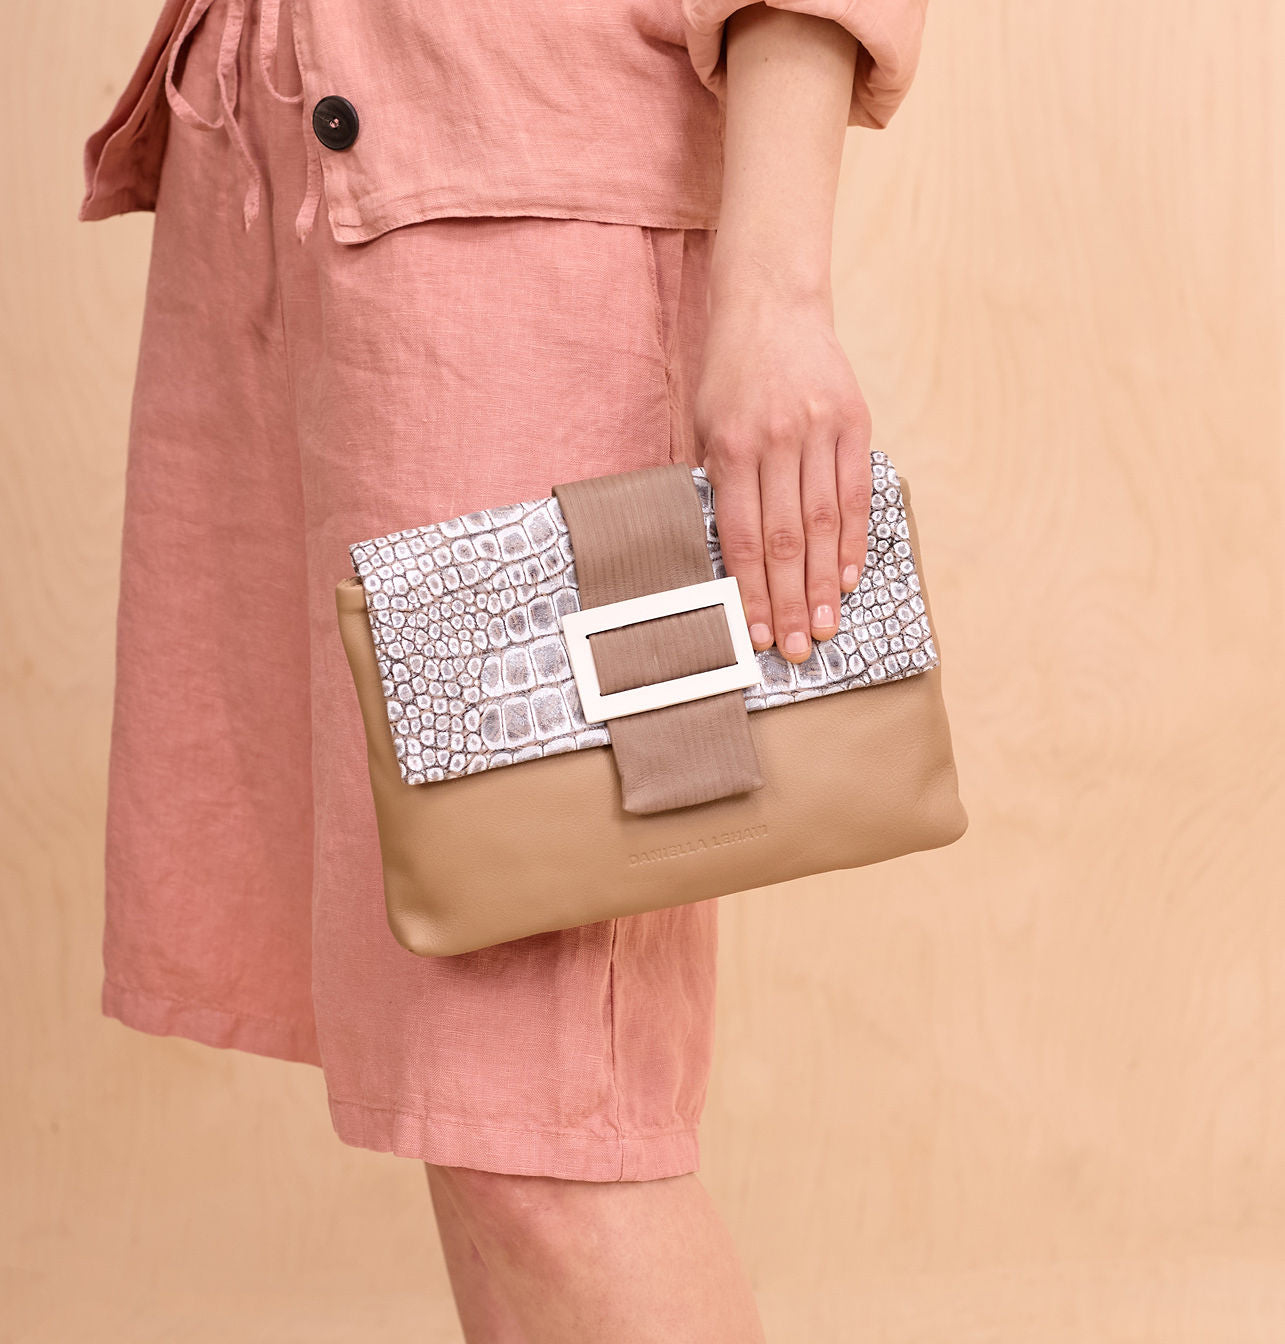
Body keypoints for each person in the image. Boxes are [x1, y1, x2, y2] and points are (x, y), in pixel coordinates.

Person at [77, 0, 927, 1337]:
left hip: (516, 227)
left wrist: (776, 297)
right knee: (464, 1114)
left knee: (541, 1126)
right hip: (299, 191)